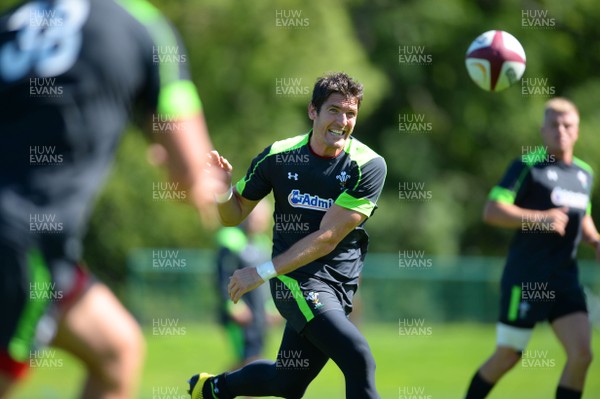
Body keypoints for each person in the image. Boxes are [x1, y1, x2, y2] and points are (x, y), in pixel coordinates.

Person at [0, 0, 224, 398]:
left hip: (30, 241)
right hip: (22, 241)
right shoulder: (142, 27)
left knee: (116, 346)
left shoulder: (14, 22)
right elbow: (193, 171)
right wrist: (201, 185)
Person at [189, 72, 387, 399]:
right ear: (313, 111)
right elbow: (232, 215)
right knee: (358, 357)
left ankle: (212, 389)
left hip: (339, 285)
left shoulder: (368, 165)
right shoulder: (279, 157)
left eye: (351, 113)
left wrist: (259, 272)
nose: (343, 120)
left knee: (287, 382)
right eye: (334, 110)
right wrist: (223, 191)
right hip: (295, 279)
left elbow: (328, 237)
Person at [465, 98, 600, 399]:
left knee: (582, 355)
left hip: (565, 279)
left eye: (567, 125)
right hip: (527, 277)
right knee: (508, 355)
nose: (560, 131)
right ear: (543, 130)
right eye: (553, 124)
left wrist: (595, 240)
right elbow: (492, 210)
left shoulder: (584, 174)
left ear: (577, 131)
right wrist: (540, 218)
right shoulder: (527, 166)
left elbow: (583, 215)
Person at [215, 200, 279, 370]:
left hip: (260, 314)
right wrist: (231, 305)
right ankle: (211, 388)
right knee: (250, 361)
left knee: (253, 360)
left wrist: (272, 307)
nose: (260, 221)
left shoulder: (263, 242)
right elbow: (221, 276)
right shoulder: (231, 239)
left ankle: (212, 389)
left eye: (264, 218)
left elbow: (269, 279)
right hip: (241, 313)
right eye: (257, 217)